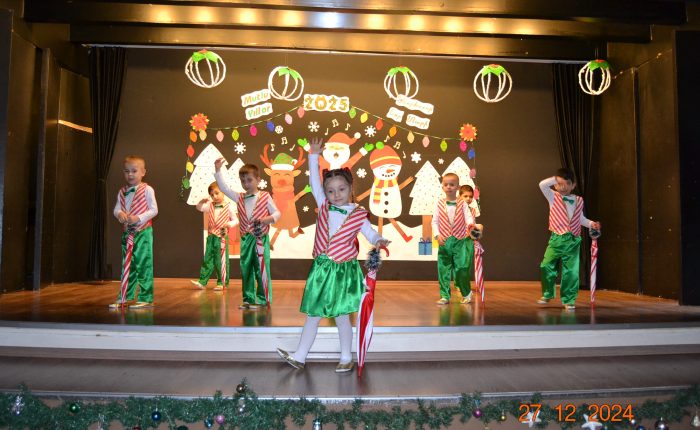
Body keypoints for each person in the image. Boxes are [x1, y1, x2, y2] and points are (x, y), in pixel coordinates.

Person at [276, 138, 389, 373]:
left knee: (341, 316)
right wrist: (313, 155)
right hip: (321, 269)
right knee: (313, 314)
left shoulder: (358, 214)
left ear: (350, 188)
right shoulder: (324, 204)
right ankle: (299, 356)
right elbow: (313, 182)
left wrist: (378, 239)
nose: (336, 194)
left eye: (341, 189)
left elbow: (370, 233)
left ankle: (346, 357)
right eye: (330, 191)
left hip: (343, 271)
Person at [214, 159, 280, 309]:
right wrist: (218, 170)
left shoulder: (265, 196)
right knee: (246, 268)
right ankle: (248, 299)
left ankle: (263, 299)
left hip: (260, 238)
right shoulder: (239, 197)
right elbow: (224, 188)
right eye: (243, 181)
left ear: (258, 180)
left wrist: (267, 219)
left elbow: (277, 213)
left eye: (249, 180)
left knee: (261, 268)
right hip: (246, 239)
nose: (246, 184)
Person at [538, 168, 601, 310]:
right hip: (556, 238)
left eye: (567, 183)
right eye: (559, 184)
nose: (563, 187)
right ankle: (548, 293)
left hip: (573, 240)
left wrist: (591, 224)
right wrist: (556, 178)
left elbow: (581, 219)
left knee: (571, 272)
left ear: (573, 185)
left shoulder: (579, 200)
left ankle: (569, 299)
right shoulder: (552, 196)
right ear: (555, 185)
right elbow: (542, 184)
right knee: (546, 266)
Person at [110, 155, 158, 309]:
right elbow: (117, 209)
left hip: (143, 232)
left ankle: (146, 297)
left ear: (143, 172)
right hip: (127, 233)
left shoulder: (148, 189)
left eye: (134, 171)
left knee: (143, 264)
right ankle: (125, 296)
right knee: (127, 265)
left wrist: (138, 218)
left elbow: (154, 210)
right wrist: (120, 214)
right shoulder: (122, 192)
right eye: (126, 171)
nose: (130, 174)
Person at [432, 173, 475, 305]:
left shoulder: (462, 204)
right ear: (442, 187)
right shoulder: (439, 203)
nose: (449, 187)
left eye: (452, 184)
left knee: (461, 268)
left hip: (460, 240)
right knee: (443, 269)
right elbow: (434, 221)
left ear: (457, 187)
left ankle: (466, 292)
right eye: (446, 184)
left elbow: (468, 218)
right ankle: (445, 295)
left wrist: (471, 227)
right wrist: (437, 235)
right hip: (445, 240)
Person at [191, 182, 237, 291]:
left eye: (217, 193)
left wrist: (229, 224)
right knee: (208, 258)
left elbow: (236, 220)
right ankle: (202, 281)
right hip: (211, 236)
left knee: (220, 260)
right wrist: (201, 202)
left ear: (223, 192)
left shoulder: (228, 207)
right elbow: (199, 208)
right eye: (212, 195)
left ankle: (222, 283)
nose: (214, 196)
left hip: (222, 236)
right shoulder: (210, 206)